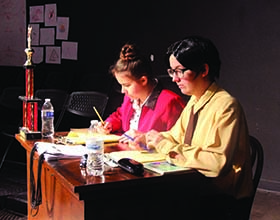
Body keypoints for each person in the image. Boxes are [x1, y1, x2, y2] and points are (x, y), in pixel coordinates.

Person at [141, 36, 254, 202]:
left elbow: (217, 163)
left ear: (204, 70)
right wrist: (147, 138)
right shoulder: (195, 99)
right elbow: (175, 136)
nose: (174, 78)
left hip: (220, 198)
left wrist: (164, 144)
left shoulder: (226, 106)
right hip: (197, 187)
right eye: (172, 71)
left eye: (179, 71)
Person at [96, 43, 186, 145]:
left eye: (127, 85)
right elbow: (120, 115)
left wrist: (145, 138)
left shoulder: (170, 102)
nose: (122, 91)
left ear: (143, 80)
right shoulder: (130, 98)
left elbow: (178, 139)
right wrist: (110, 124)